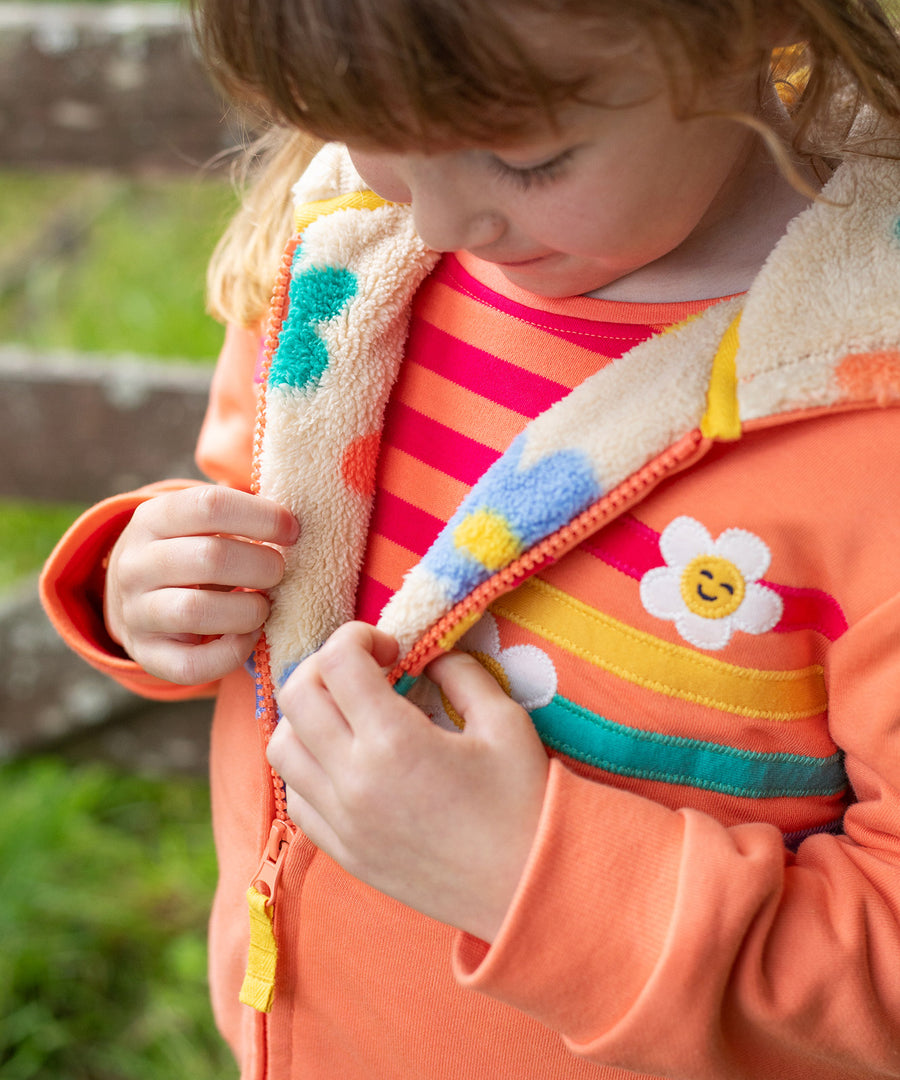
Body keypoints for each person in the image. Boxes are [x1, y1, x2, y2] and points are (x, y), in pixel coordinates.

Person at [40, 0, 900, 1076]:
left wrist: (519, 876)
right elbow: (254, 505)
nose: (441, 224)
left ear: (742, 25)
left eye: (524, 158)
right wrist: (150, 581)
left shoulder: (869, 416)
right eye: (380, 143)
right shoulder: (352, 246)